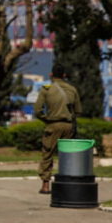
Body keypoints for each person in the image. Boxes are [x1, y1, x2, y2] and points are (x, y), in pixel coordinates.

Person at [34, 63, 81, 194]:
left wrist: (47, 119)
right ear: (64, 75)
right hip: (68, 126)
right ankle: (67, 183)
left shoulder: (46, 89)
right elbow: (78, 111)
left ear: (51, 75)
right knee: (67, 155)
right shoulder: (72, 89)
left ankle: (45, 185)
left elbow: (38, 110)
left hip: (52, 125)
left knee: (47, 154)